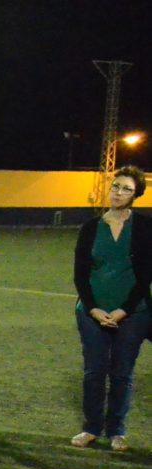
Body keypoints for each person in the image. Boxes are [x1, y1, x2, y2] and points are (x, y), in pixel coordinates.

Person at [70, 166, 152, 451]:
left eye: (126, 189)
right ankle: (91, 428)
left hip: (133, 314)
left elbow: (146, 276)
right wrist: (93, 309)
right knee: (94, 372)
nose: (118, 192)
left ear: (136, 194)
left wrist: (124, 310)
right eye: (115, 186)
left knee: (122, 373)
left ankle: (117, 430)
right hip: (92, 314)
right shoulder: (91, 227)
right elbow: (80, 274)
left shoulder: (145, 227)